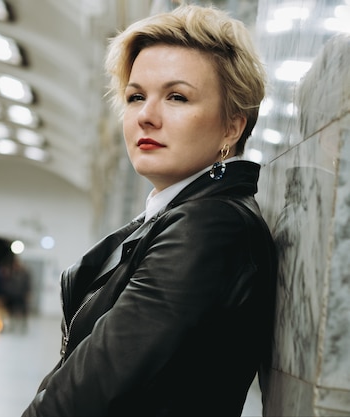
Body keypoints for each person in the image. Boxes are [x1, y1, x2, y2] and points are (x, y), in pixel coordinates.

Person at [22, 4, 277, 416]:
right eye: (135, 96)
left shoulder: (210, 227)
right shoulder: (176, 217)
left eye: (177, 97)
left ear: (232, 125)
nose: (146, 116)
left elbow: (90, 390)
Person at [2, 256, 32, 332]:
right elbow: (6, 283)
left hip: (21, 295)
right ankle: (11, 325)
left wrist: (28, 294)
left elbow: (28, 284)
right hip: (11, 295)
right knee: (11, 311)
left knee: (23, 311)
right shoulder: (10, 272)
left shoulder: (24, 273)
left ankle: (23, 326)